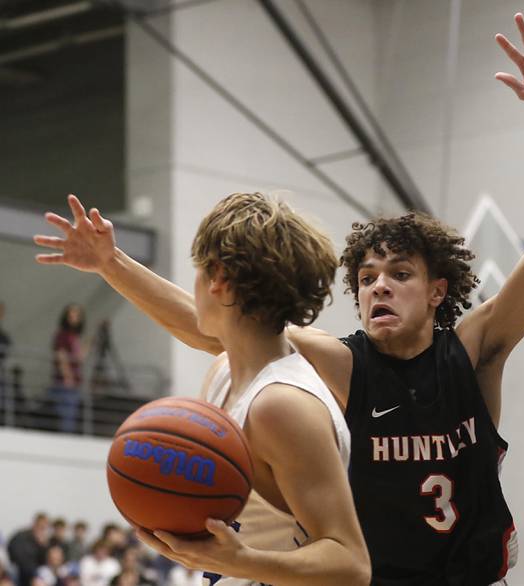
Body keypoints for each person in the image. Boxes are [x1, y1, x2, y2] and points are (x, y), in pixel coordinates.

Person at [34, 10, 524, 585]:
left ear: (438, 290)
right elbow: (219, 326)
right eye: (367, 277)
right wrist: (110, 263)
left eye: (399, 273)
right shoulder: (341, 362)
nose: (379, 286)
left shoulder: (473, 350)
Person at [40, 193, 370, 585]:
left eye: (197, 270)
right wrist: (109, 262)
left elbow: (351, 564)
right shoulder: (225, 371)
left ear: (218, 279)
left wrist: (240, 561)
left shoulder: (281, 405)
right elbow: (192, 325)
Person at [50, 304, 85, 433]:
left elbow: (79, 357)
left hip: (73, 383)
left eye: (77, 315)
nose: (74, 318)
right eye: (72, 315)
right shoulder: (62, 335)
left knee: (71, 416)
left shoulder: (74, 336)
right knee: (66, 418)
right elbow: (61, 356)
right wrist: (68, 377)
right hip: (65, 383)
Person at [8, 512, 50, 586]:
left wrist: (42, 547)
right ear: (34, 524)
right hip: (20, 570)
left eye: (44, 527)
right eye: (40, 526)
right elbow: (16, 556)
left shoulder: (43, 542)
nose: (41, 529)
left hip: (35, 571)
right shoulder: (21, 536)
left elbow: (44, 562)